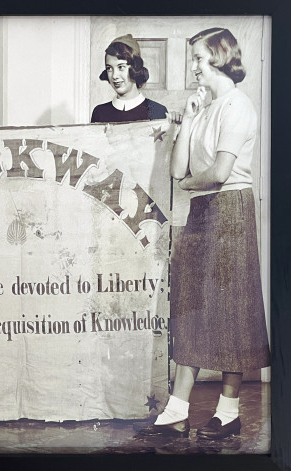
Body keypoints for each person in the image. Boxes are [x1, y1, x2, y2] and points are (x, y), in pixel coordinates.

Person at [138, 28, 269, 440]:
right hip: (201, 211)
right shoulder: (206, 108)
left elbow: (219, 174)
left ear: (218, 56)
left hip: (230, 208)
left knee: (232, 312)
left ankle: (228, 412)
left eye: (197, 58)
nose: (192, 67)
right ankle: (178, 411)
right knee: (192, 308)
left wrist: (191, 184)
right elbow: (178, 172)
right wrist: (189, 121)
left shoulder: (238, 106)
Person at [91, 34, 167, 123]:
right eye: (109, 68)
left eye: (121, 67)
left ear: (135, 68)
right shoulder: (99, 113)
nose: (114, 76)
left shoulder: (158, 112)